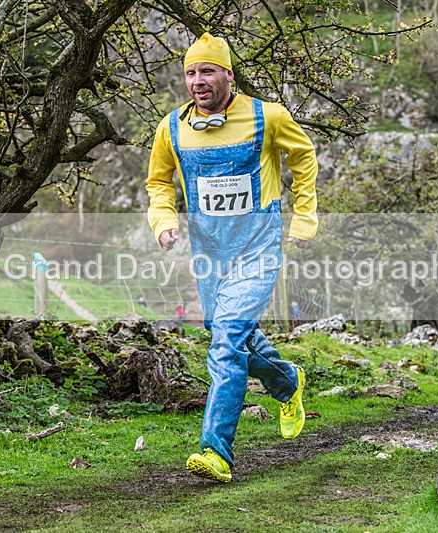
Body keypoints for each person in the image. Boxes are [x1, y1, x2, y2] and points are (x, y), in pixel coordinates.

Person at [145, 33, 317, 482]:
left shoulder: (268, 117)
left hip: (257, 245)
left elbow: (304, 157)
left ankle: (215, 450)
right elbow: (158, 182)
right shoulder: (172, 127)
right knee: (222, 329)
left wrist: (303, 219)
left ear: (228, 75)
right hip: (209, 250)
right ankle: (287, 381)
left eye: (206, 71)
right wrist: (163, 220)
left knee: (225, 340)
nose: (197, 81)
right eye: (190, 73)